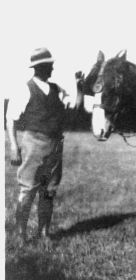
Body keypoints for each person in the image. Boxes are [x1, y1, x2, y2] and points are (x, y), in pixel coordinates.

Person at [6, 47, 84, 241]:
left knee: (49, 191)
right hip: (33, 142)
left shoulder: (57, 89)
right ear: (40, 67)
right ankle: (20, 233)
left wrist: (79, 87)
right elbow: (10, 119)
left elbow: (75, 108)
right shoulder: (24, 88)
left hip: (56, 144)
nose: (52, 69)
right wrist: (14, 147)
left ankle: (44, 232)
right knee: (28, 189)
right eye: (50, 65)